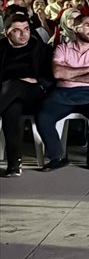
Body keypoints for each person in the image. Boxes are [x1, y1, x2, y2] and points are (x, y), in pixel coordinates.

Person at [36, 14, 89, 170]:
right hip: (63, 93)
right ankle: (57, 156)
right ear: (75, 27)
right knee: (43, 116)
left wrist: (70, 75)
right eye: (88, 25)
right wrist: (87, 70)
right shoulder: (62, 48)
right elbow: (58, 73)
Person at [0, 11, 53, 176]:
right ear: (6, 32)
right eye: (17, 30)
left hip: (35, 95)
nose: (24, 34)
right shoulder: (0, 48)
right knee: (12, 109)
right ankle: (14, 165)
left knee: (14, 84)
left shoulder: (41, 49)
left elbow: (52, 77)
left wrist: (37, 81)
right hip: (7, 97)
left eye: (26, 29)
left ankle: (14, 164)